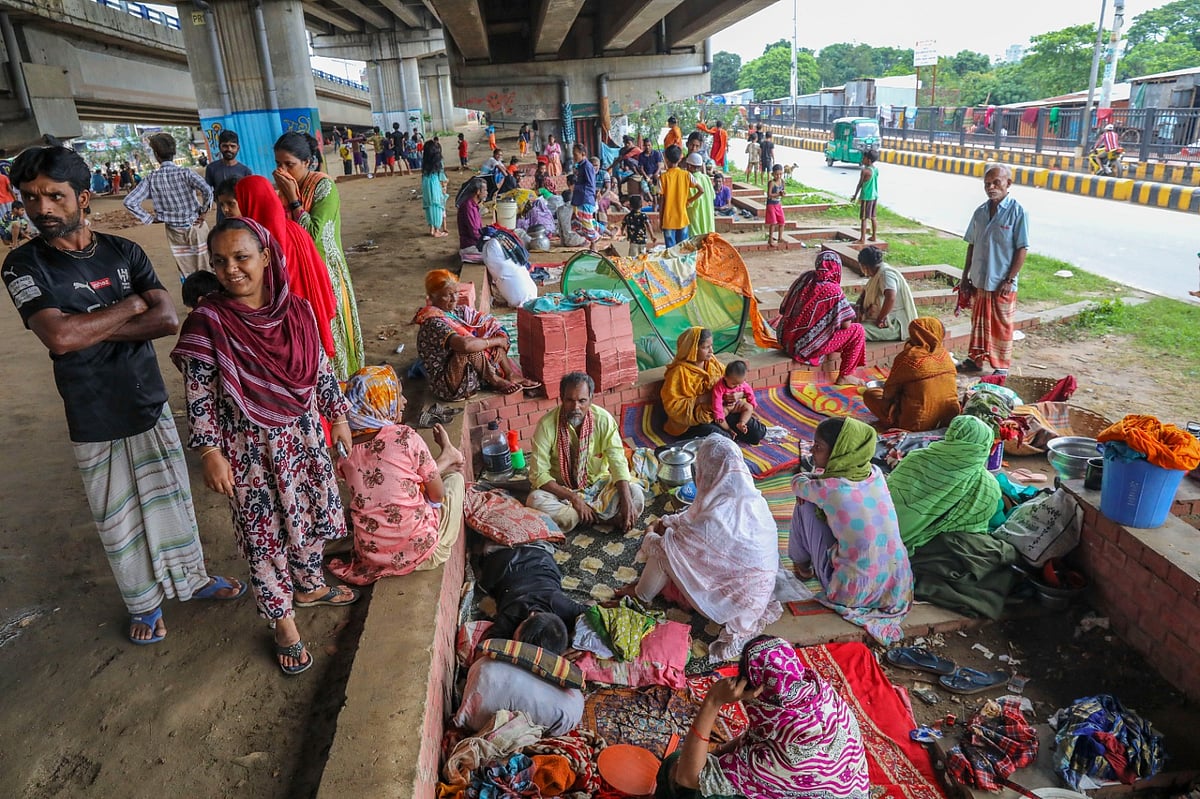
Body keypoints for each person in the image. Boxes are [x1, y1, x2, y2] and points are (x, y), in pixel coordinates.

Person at [2, 145, 245, 647]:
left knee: (171, 497)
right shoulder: (23, 266)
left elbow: (166, 319)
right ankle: (144, 602)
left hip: (146, 399)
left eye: (54, 196)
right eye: (30, 199)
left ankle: (191, 578)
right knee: (117, 515)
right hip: (90, 408)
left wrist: (85, 326)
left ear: (82, 198)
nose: (42, 208)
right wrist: (128, 305)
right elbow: (60, 338)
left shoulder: (123, 251)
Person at [171, 218, 358, 676]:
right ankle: (284, 625)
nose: (231, 270)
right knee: (264, 536)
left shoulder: (297, 311)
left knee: (311, 516)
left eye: (241, 257)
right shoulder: (208, 321)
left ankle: (310, 584)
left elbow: (320, 370)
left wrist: (337, 416)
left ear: (266, 256)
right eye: (219, 261)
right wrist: (209, 451)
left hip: (303, 439)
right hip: (247, 450)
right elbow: (198, 393)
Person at [657, 635, 869, 799]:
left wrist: (712, 702)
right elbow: (760, 735)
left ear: (754, 692)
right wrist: (719, 752)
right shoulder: (821, 696)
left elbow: (687, 777)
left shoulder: (771, 764)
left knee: (675, 769)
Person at [626, 436, 780, 661]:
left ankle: (640, 595)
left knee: (666, 550)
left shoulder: (714, 520)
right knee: (673, 539)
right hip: (751, 600)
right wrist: (668, 521)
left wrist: (650, 533)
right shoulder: (753, 500)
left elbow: (672, 543)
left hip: (731, 607)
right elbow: (694, 518)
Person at [328, 366, 465, 583]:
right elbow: (437, 496)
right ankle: (447, 457)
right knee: (455, 481)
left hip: (373, 559)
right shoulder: (405, 437)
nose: (404, 401)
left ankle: (447, 458)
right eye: (397, 394)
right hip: (423, 554)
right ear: (379, 402)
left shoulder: (345, 452)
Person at [788, 418, 912, 643]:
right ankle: (808, 563)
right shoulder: (875, 474)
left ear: (840, 452)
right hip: (896, 588)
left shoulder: (828, 488)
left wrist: (808, 475)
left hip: (852, 593)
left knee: (804, 504)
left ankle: (801, 565)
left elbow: (797, 484)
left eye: (818, 447)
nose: (812, 451)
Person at [273, 131, 365, 380]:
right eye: (278, 164)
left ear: (307, 162)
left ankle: (342, 384)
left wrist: (293, 200)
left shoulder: (324, 186)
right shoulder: (280, 191)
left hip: (325, 271)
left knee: (332, 328)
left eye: (289, 165)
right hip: (298, 274)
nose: (282, 171)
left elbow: (313, 235)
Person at [234, 175, 338, 361]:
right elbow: (321, 276)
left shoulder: (253, 245)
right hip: (310, 318)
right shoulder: (296, 230)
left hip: (282, 330)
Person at [526, 372, 645, 533]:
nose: (576, 408)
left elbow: (618, 461)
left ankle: (582, 518)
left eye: (582, 401)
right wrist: (573, 498)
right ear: (561, 398)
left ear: (591, 398)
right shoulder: (546, 425)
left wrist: (626, 500)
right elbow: (538, 474)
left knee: (635, 495)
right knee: (535, 499)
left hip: (598, 486)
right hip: (562, 492)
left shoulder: (604, 420)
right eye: (570, 400)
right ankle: (605, 517)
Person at [454, 611, 584, 736]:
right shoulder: (576, 702)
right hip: (568, 718)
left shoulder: (486, 666)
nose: (529, 615)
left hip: (480, 700)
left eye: (526, 621)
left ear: (521, 640)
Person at [887, 414, 1003, 554]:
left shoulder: (916, 459)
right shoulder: (989, 486)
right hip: (946, 554)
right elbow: (976, 529)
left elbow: (889, 496)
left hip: (891, 536)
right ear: (984, 445)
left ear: (951, 434)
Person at [415, 269, 537, 399]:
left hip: (468, 373)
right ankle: (494, 380)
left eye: (456, 293)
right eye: (448, 295)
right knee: (469, 346)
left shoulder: (457, 312)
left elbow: (487, 323)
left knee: (492, 332)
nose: (454, 299)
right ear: (433, 296)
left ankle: (509, 374)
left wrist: (496, 339)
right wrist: (493, 341)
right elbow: (465, 345)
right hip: (448, 384)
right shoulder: (433, 321)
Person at [958, 165, 1029, 378]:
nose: (991, 187)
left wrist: (1010, 279)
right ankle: (975, 359)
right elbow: (971, 245)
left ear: (1008, 184)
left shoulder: (1018, 212)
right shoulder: (979, 212)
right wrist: (964, 277)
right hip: (980, 279)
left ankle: (1001, 366)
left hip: (1002, 282)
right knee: (977, 322)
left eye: (996, 182)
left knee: (1002, 325)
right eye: (987, 183)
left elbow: (1022, 248)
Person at [123, 132, 213, 281]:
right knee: (207, 267)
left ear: (156, 155)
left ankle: (195, 301)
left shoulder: (151, 178)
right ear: (174, 152)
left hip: (174, 232)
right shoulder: (185, 173)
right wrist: (204, 212)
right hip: (196, 226)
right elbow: (207, 190)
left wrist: (149, 219)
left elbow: (129, 201)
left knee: (186, 271)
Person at [661, 327, 766, 443]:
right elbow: (672, 407)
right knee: (725, 440)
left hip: (720, 410)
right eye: (706, 347)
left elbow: (733, 382)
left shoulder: (712, 363)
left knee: (757, 432)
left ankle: (731, 431)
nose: (711, 350)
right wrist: (703, 399)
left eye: (711, 345)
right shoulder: (678, 373)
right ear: (692, 349)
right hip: (695, 422)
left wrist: (737, 395)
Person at [777, 251, 866, 384]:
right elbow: (846, 325)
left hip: (785, 340)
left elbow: (783, 308)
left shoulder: (805, 278)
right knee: (857, 330)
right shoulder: (833, 290)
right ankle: (845, 375)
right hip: (804, 347)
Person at [861, 318, 960, 432]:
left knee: (870, 394)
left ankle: (894, 421)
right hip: (949, 419)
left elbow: (889, 393)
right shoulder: (945, 355)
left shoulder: (908, 357)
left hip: (916, 424)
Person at [856, 245, 917, 342]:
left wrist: (880, 319)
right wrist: (859, 306)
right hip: (882, 319)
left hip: (893, 324)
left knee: (855, 331)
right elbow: (864, 293)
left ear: (864, 266)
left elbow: (891, 297)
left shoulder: (886, 274)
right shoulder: (876, 273)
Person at [204, 130, 252, 224]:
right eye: (225, 146)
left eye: (232, 146)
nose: (229, 149)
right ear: (220, 147)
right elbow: (208, 191)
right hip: (222, 218)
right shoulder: (211, 168)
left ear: (238, 148)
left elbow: (249, 197)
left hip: (242, 218)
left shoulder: (245, 171)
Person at [711, 359, 760, 438]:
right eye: (734, 384)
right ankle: (728, 429)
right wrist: (719, 415)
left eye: (739, 384)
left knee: (749, 407)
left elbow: (749, 392)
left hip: (736, 404)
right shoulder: (719, 386)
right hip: (725, 407)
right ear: (725, 377)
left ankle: (742, 423)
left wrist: (752, 403)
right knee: (719, 419)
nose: (737, 386)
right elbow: (717, 401)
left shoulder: (741, 384)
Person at [658, 145, 692, 249]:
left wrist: (661, 219)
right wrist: (689, 200)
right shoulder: (687, 175)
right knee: (682, 249)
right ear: (680, 158)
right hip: (682, 217)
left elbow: (661, 201)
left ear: (666, 159)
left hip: (668, 220)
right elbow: (701, 190)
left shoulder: (663, 177)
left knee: (671, 250)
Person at [569, 143, 599, 252]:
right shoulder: (581, 166)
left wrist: (576, 187)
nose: (574, 157)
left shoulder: (587, 166)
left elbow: (590, 185)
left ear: (583, 154)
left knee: (586, 223)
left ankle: (594, 242)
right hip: (580, 199)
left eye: (575, 154)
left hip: (585, 199)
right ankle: (597, 235)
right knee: (576, 223)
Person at [421, 139, 450, 238]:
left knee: (429, 205)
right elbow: (442, 176)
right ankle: (437, 230)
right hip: (434, 182)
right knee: (437, 205)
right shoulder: (438, 161)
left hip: (425, 182)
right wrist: (445, 184)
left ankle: (432, 228)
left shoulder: (425, 161)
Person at [851, 149, 879, 245]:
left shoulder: (865, 171)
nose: (862, 159)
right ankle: (874, 236)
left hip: (866, 197)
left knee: (863, 218)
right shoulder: (875, 170)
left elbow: (860, 184)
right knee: (873, 217)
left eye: (864, 158)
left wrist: (855, 195)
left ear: (869, 160)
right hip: (874, 196)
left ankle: (862, 239)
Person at [457, 177, 487, 261]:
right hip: (470, 246)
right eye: (485, 190)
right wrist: (485, 241)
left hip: (475, 243)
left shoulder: (473, 205)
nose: (486, 193)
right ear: (478, 192)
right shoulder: (468, 207)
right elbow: (474, 232)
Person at [685, 152, 714, 238]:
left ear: (689, 166)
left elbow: (689, 203)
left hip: (695, 220)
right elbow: (713, 196)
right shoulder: (707, 178)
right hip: (708, 220)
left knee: (696, 245)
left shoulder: (691, 181)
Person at [765, 163, 785, 247]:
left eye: (780, 174)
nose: (778, 176)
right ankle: (770, 239)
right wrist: (778, 194)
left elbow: (783, 191)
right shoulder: (771, 183)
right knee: (773, 222)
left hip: (778, 204)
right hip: (771, 205)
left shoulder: (782, 182)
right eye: (777, 174)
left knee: (782, 221)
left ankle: (780, 238)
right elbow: (769, 194)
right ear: (773, 174)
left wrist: (783, 193)